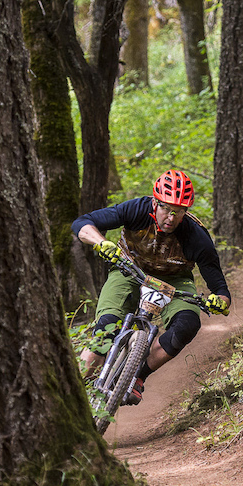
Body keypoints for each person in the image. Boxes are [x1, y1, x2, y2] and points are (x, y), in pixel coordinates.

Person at [72, 169, 231, 405]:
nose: (170, 217)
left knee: (187, 323)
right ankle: (74, 391)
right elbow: (82, 223)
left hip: (174, 280)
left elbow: (221, 289)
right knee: (107, 326)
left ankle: (138, 376)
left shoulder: (196, 237)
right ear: (155, 202)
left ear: (186, 212)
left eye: (178, 212)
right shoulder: (136, 210)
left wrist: (219, 302)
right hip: (128, 269)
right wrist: (102, 242)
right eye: (166, 208)